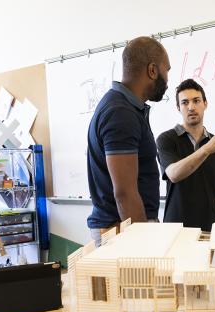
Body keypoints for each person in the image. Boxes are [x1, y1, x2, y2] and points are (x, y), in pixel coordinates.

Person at [86, 36, 171, 245]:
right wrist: (144, 246)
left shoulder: (125, 108)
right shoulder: (120, 113)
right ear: (153, 71)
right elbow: (125, 193)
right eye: (166, 70)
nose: (168, 79)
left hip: (125, 227)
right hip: (121, 231)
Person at [156, 79, 215, 232]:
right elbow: (173, 174)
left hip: (210, 227)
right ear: (178, 107)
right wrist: (206, 149)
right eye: (185, 102)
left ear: (205, 104)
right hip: (176, 229)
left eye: (196, 101)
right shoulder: (166, 139)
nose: (191, 107)